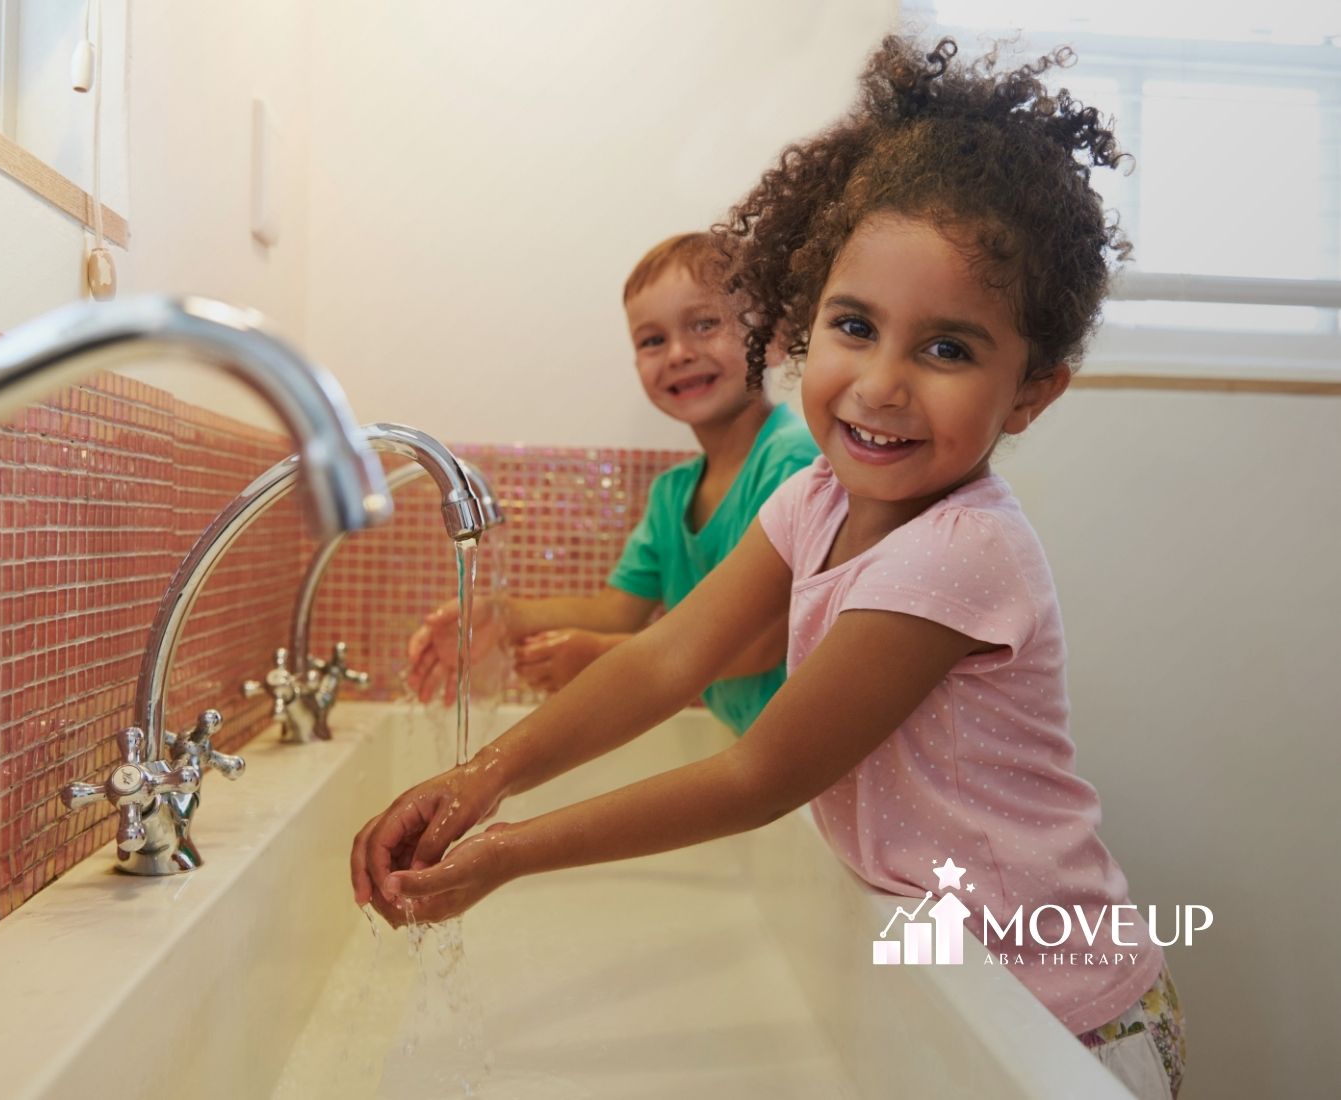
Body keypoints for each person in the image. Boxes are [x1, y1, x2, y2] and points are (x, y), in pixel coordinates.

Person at [354, 36, 1185, 1099]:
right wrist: (480, 777)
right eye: (854, 326)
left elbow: (761, 772)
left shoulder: (958, 556)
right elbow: (663, 658)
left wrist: (508, 849)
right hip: (949, 967)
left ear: (1030, 392)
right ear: (801, 324)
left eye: (947, 349)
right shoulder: (817, 497)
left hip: (1063, 1015)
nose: (880, 385)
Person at [406, 232, 818, 734]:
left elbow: (760, 643)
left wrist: (601, 657)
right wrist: (502, 616)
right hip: (757, 748)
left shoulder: (793, 461)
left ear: (773, 340)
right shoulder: (673, 494)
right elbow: (617, 609)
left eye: (705, 324)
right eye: (652, 340)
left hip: (812, 753)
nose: (678, 353)